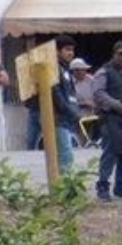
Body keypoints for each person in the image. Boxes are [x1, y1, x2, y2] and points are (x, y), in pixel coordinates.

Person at [50, 35, 83, 176]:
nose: (71, 53)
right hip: (58, 119)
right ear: (57, 51)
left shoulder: (65, 69)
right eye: (67, 49)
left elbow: (70, 97)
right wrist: (75, 114)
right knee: (66, 157)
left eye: (72, 50)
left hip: (67, 119)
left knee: (66, 156)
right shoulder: (53, 69)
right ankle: (66, 192)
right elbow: (58, 98)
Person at [94, 40, 122, 201]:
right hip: (110, 117)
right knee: (110, 153)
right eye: (120, 54)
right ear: (114, 54)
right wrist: (116, 105)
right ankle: (102, 186)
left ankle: (120, 187)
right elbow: (98, 93)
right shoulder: (104, 71)